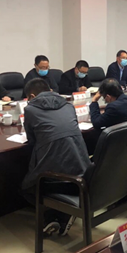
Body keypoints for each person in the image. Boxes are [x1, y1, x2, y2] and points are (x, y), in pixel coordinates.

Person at [22, 79, 91, 236]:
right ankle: (61, 215)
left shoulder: (30, 110)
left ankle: (57, 215)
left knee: (27, 187)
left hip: (59, 178)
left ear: (31, 96)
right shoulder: (68, 106)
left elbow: (32, 140)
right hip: (84, 172)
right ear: (51, 90)